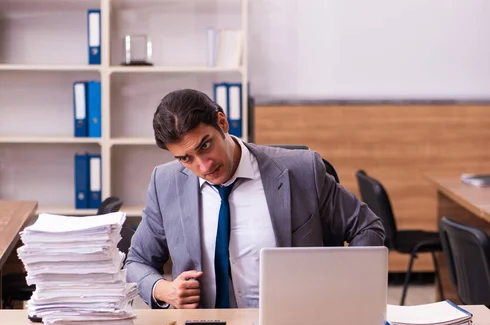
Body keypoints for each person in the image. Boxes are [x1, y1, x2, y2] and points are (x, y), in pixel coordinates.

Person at [125, 89, 385, 309]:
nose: (204, 166)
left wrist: (341, 287)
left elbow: (367, 227)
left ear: (222, 123)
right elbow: (137, 261)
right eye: (185, 158)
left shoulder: (301, 171)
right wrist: (163, 290)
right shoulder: (166, 183)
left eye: (205, 145)